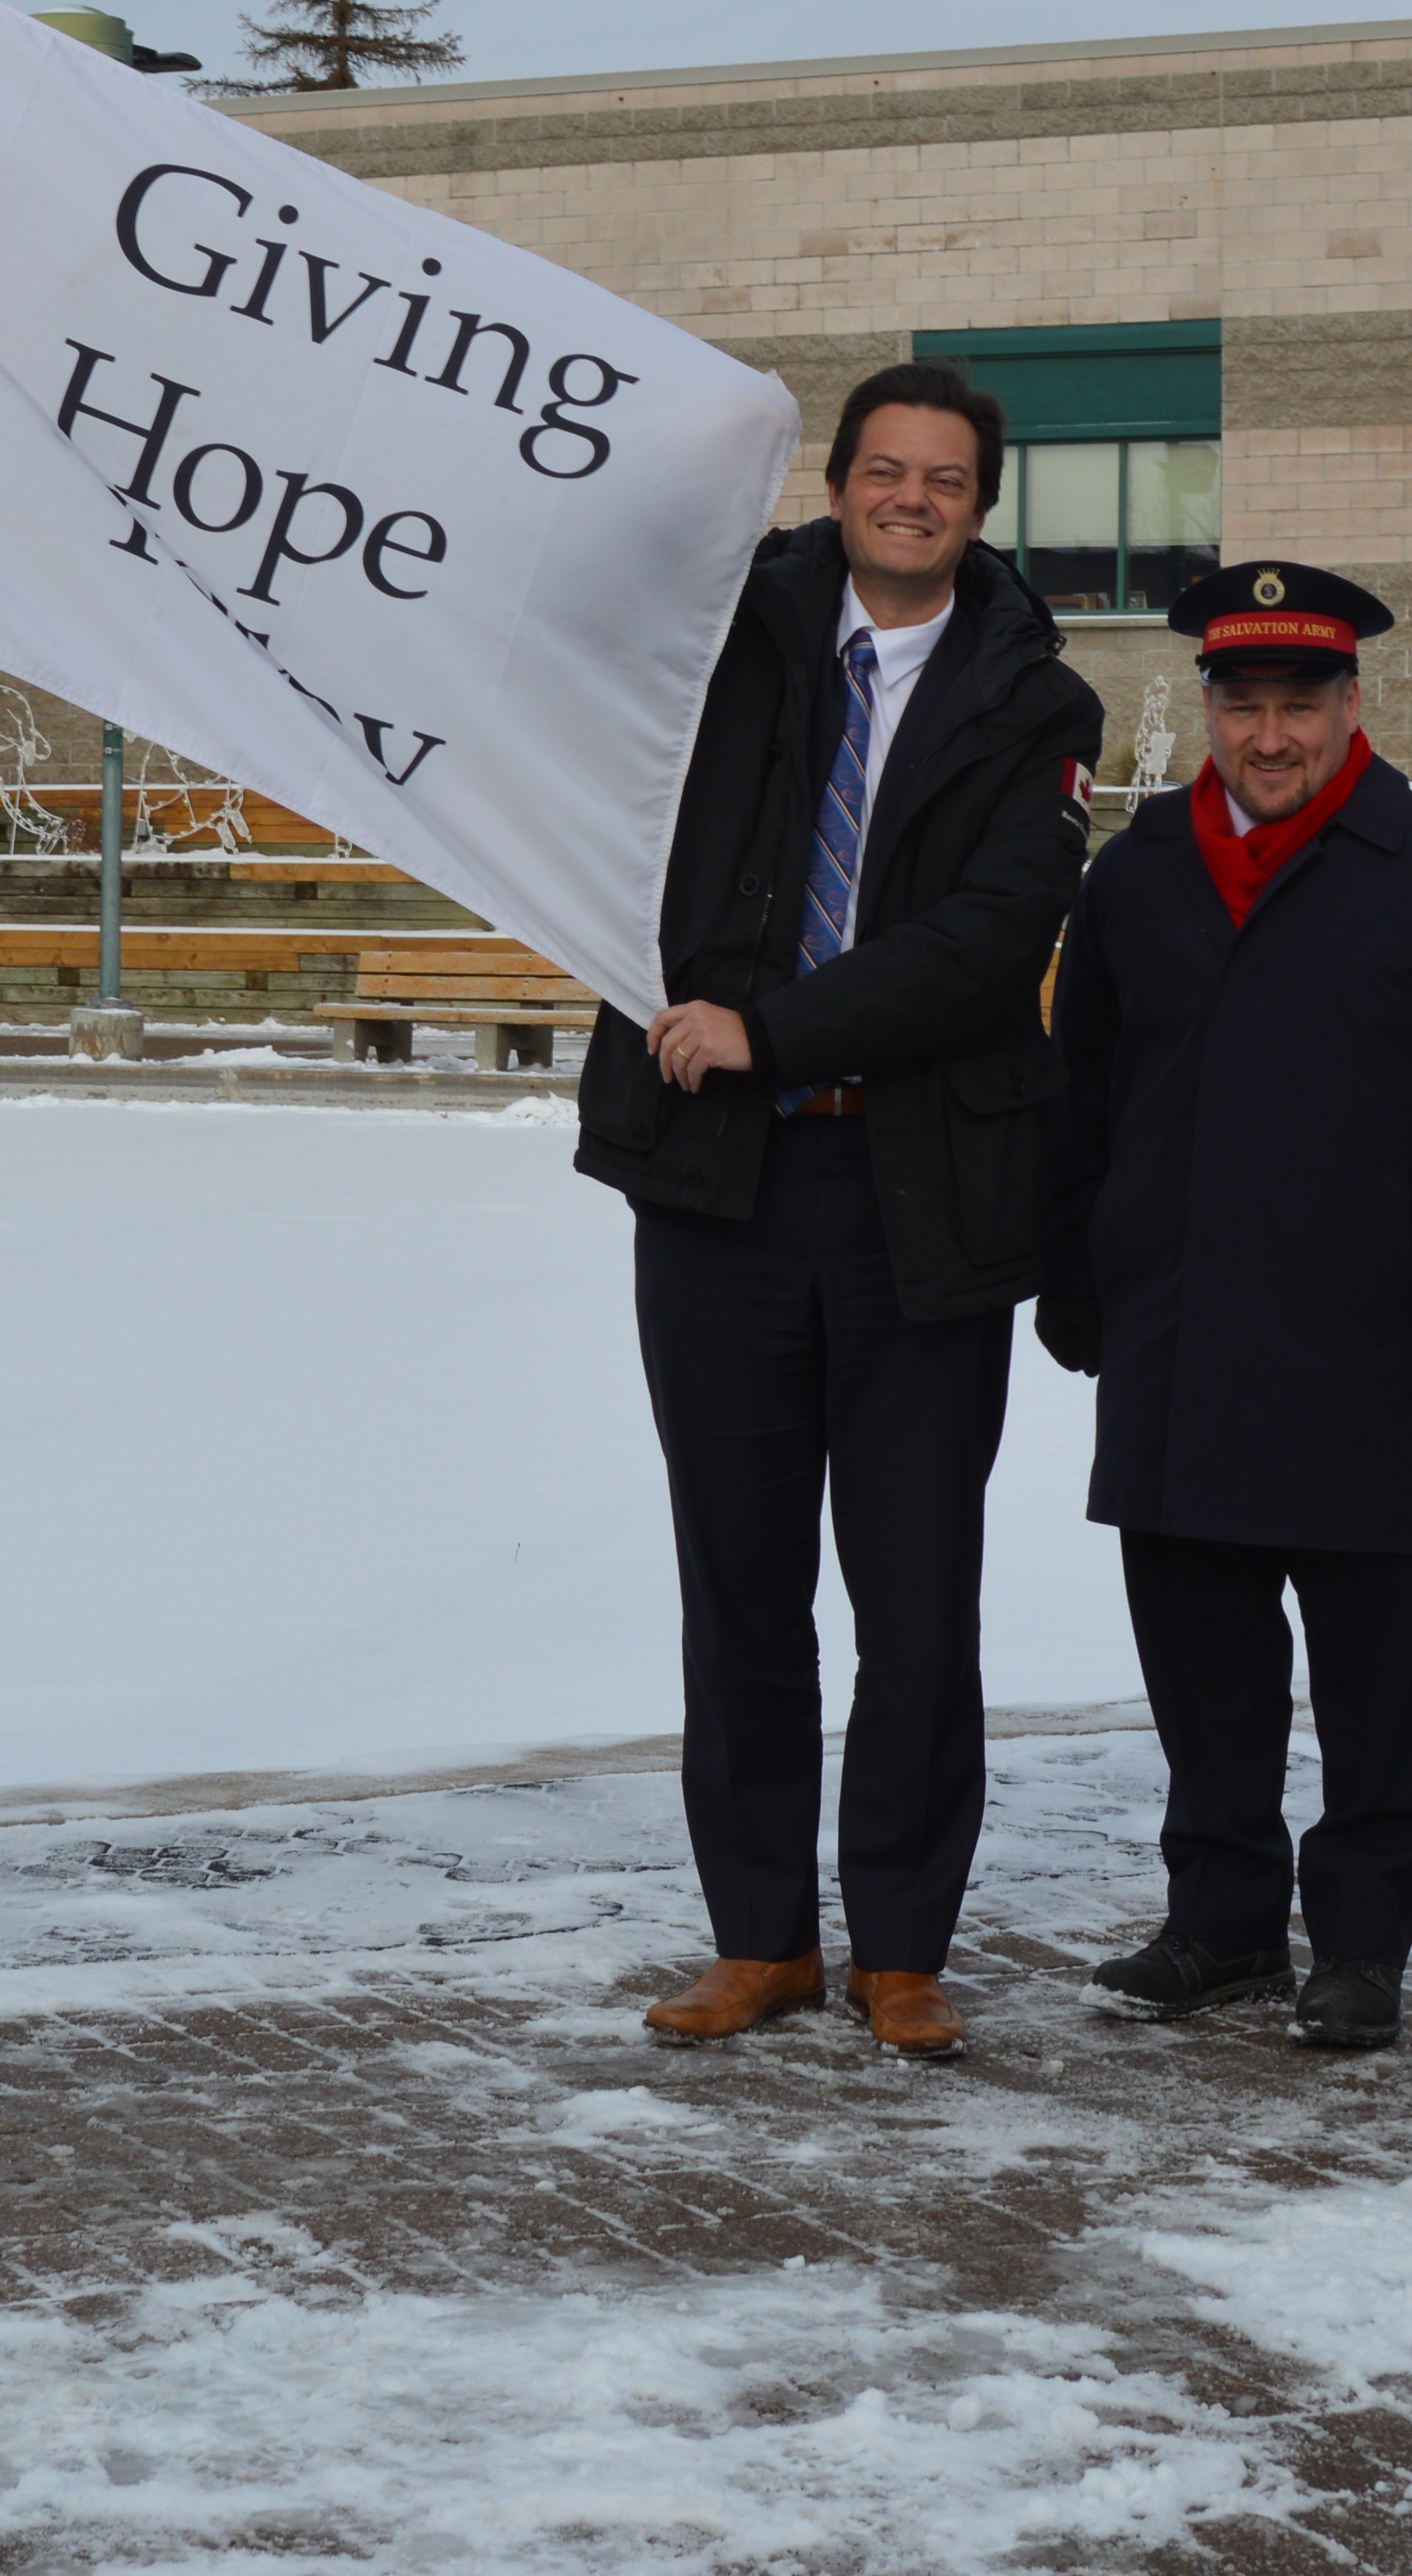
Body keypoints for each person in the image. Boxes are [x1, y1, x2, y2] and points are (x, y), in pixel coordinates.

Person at [575, 361, 1104, 2063]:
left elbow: (985, 943)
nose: (910, 498)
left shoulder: (1038, 704)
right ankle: (758, 1937)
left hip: (916, 1193)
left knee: (912, 1589)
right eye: (883, 470)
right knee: (734, 1582)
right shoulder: (720, 639)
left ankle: (897, 1944)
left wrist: (774, 1027)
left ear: (978, 503)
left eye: (944, 478)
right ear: (838, 481)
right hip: (717, 1185)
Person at [1037, 561, 1412, 2052]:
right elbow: (1084, 1102)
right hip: (1181, 1336)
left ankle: (1364, 1942)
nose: (1273, 735)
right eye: (1244, 704)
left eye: (1302, 705)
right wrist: (1072, 1271)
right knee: (1200, 1652)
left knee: (1375, 1672)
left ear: (1352, 706)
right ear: (1207, 707)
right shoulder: (1133, 879)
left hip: (1373, 1347)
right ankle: (1220, 1920)